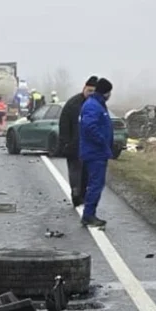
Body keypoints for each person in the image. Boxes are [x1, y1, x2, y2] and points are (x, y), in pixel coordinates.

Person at [79, 78, 114, 227]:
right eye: (109, 92)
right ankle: (88, 215)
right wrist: (102, 141)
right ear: (105, 92)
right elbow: (90, 127)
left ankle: (89, 214)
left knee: (95, 183)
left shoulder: (97, 104)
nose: (110, 95)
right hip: (95, 152)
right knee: (95, 184)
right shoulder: (93, 106)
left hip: (97, 151)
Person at [59, 76, 98, 207]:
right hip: (74, 145)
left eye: (94, 91)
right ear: (84, 89)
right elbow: (64, 124)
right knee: (75, 171)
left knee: (86, 172)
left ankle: (82, 194)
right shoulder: (73, 104)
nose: (91, 94)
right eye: (89, 90)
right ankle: (76, 193)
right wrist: (66, 142)